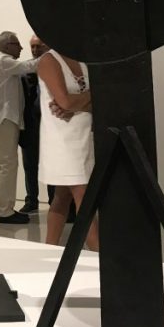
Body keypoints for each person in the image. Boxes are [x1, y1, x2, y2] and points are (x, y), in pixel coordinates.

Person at [38, 49, 99, 250]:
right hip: (62, 140)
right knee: (83, 195)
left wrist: (77, 103)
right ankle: (98, 255)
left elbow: (100, 97)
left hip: (84, 136)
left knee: (62, 196)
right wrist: (90, 99)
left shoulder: (83, 60)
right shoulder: (48, 60)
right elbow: (64, 102)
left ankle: (49, 248)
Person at [0, 31, 38, 224]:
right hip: (5, 119)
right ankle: (5, 212)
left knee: (4, 166)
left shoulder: (3, 63)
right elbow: (29, 66)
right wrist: (52, 56)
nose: (22, 48)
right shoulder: (3, 61)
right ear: (7, 46)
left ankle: (4, 208)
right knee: (8, 165)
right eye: (17, 44)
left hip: (3, 120)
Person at [19, 35, 55, 214]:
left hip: (50, 125)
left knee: (52, 164)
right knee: (30, 165)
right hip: (30, 124)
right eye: (32, 47)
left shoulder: (54, 68)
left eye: (38, 46)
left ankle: (54, 201)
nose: (35, 50)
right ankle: (31, 200)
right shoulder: (25, 70)